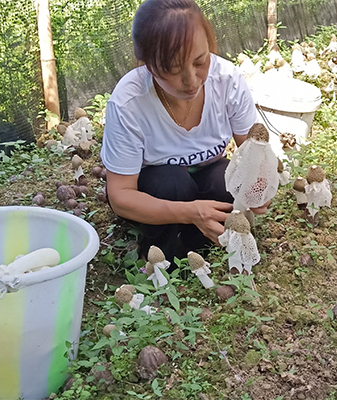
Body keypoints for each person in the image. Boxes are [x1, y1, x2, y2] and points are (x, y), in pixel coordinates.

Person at [100, 0, 267, 267]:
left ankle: (199, 244)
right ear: (148, 65)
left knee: (224, 181)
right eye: (173, 70)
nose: (191, 80)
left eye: (200, 61)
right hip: (154, 189)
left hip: (204, 178)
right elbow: (120, 196)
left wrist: (257, 187)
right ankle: (159, 255)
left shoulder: (227, 81)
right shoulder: (129, 103)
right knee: (171, 183)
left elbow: (252, 154)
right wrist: (189, 212)